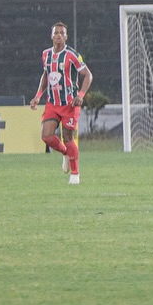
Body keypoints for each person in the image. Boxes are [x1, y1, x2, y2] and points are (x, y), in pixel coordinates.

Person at [28, 22, 93, 185]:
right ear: (51, 36)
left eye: (62, 33)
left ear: (66, 36)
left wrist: (81, 95)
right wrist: (37, 96)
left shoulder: (72, 55)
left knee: (68, 136)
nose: (58, 35)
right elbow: (46, 75)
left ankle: (75, 174)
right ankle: (65, 153)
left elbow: (88, 75)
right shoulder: (46, 55)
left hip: (70, 104)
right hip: (52, 103)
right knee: (46, 136)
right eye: (56, 33)